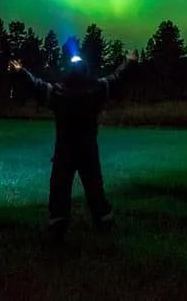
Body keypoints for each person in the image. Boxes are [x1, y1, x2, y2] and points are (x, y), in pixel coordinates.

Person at [9, 42, 138, 244]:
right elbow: (116, 79)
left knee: (60, 189)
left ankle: (58, 230)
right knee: (95, 189)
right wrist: (130, 62)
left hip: (65, 150)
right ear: (85, 71)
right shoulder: (96, 90)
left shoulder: (59, 93)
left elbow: (36, 86)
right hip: (88, 150)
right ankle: (105, 225)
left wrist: (21, 71)